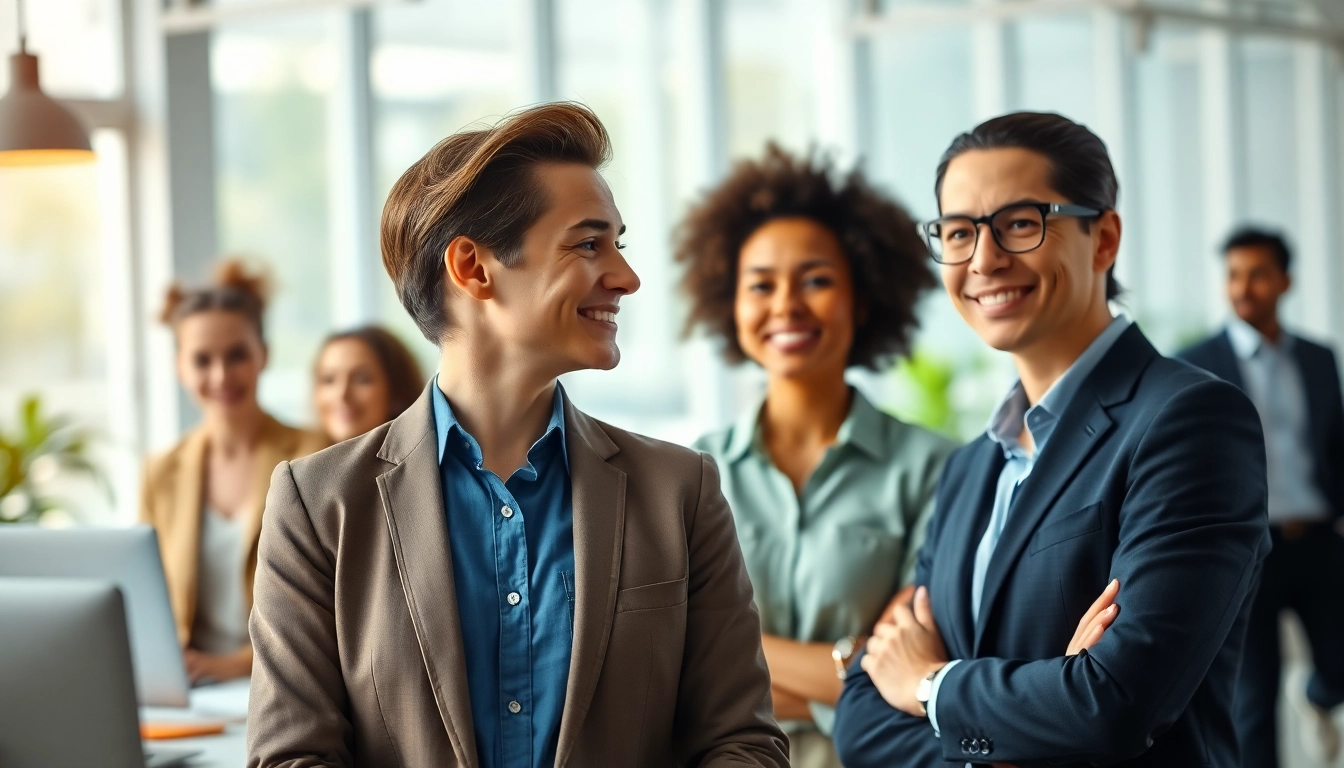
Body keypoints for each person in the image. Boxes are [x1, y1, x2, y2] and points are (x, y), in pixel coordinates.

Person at [246, 102, 789, 768]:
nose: (626, 276)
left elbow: (742, 743)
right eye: (590, 244)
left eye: (619, 243)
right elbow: (291, 757)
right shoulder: (318, 502)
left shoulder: (680, 491)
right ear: (474, 268)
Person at [831, 112, 1270, 768]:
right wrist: (1029, 727)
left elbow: (1114, 705)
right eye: (958, 232)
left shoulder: (1190, 422)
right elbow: (861, 719)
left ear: (1104, 239)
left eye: (1019, 223)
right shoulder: (968, 469)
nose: (983, 259)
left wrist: (929, 683)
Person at [678, 144, 958, 768]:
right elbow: (668, 663)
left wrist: (730, 662)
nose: (786, 305)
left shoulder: (937, 468)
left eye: (817, 280)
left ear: (863, 298)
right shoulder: (690, 471)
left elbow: (914, 673)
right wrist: (845, 666)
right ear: (732, 304)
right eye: (761, 285)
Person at [1179, 227, 1344, 767]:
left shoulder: (1319, 358)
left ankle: (1317, 696)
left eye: (1257, 274)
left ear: (1285, 282)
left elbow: (1332, 445)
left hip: (1318, 539)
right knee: (1253, 698)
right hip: (1246, 549)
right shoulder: (1196, 362)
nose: (1243, 287)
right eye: (1233, 274)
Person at [140, 260, 328, 684]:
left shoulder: (313, 454)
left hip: (291, 685)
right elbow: (147, 600)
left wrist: (229, 667)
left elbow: (331, 604)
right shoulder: (161, 472)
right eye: (202, 360)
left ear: (264, 354)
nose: (221, 375)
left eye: (237, 355)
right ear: (180, 368)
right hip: (191, 690)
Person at [313, 325, 426, 443]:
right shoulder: (299, 459)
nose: (342, 394)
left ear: (398, 389)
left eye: (362, 379)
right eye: (329, 379)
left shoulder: (427, 459)